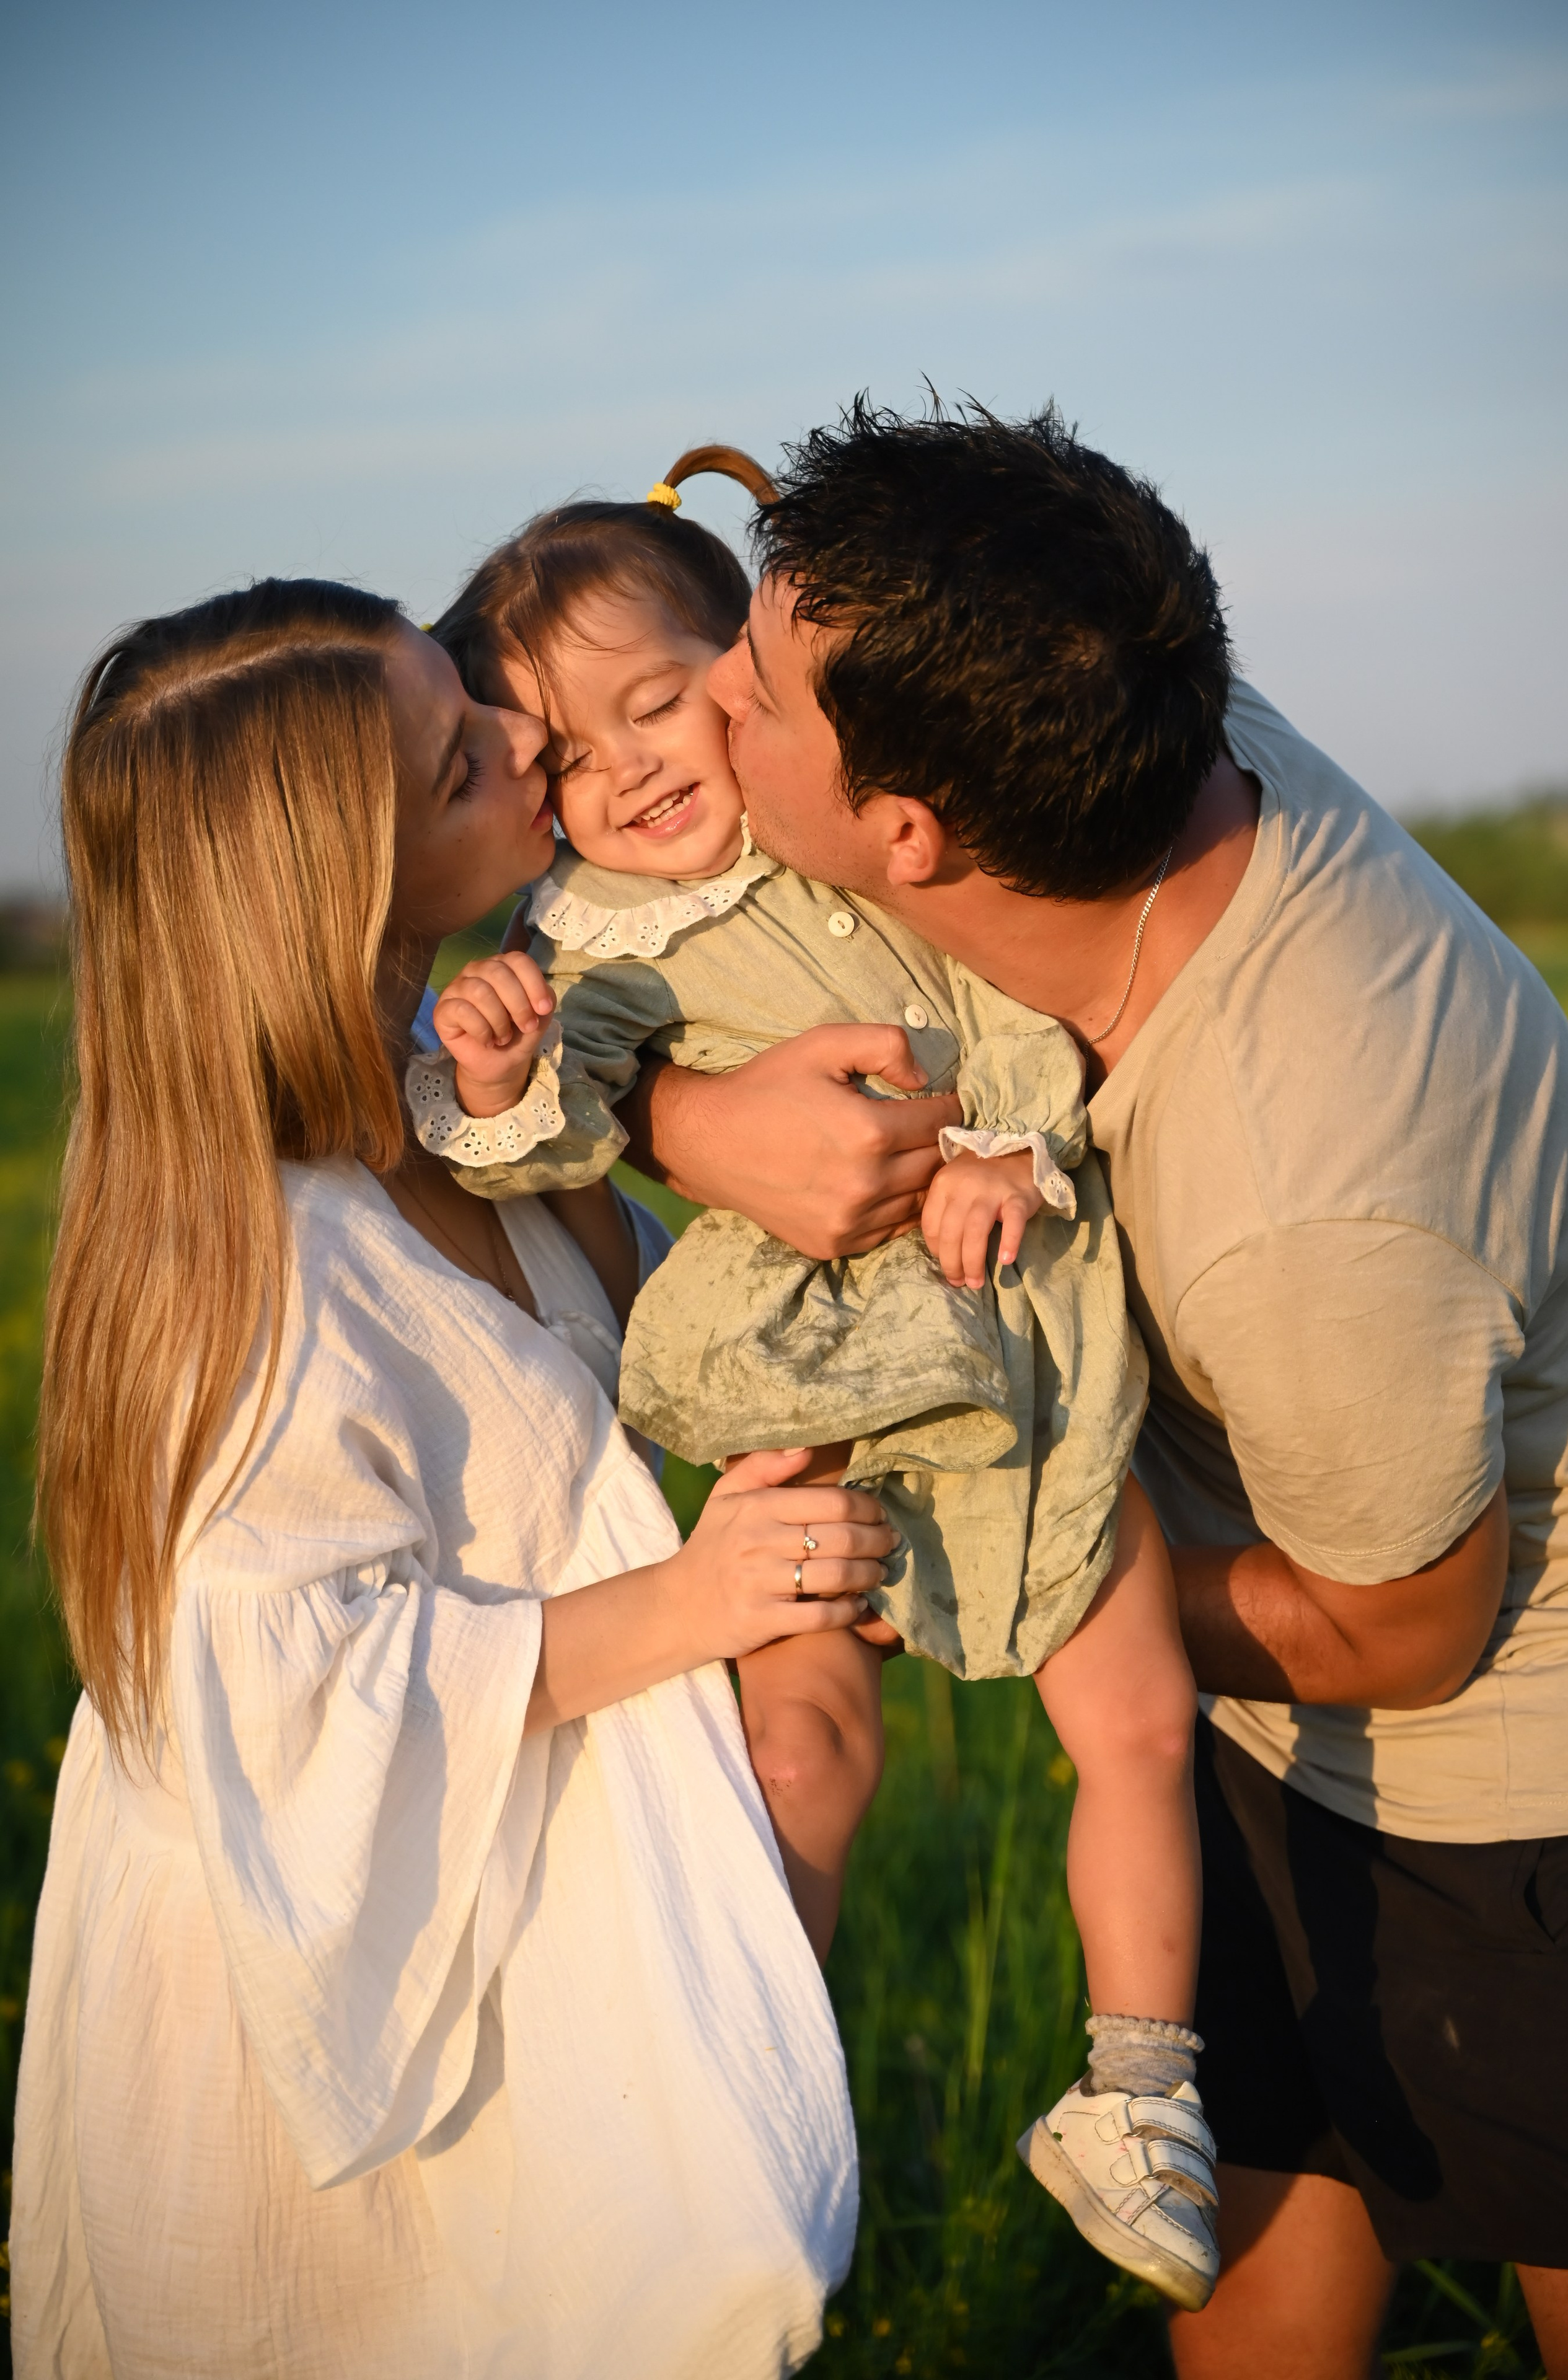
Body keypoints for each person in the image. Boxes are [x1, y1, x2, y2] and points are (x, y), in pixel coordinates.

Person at [619, 402, 1568, 2380]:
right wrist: (682, 1112)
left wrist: (963, 1570)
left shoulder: (1309, 1188)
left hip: (1524, 1797)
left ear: (909, 839)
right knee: (1252, 2277)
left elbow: (1412, 1626)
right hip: (1251, 1717)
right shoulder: (1110, 715)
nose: (707, 703)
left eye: (755, 687)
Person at [14, 576, 900, 2379]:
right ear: (332, 882)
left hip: (516, 1888)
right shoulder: (248, 1279)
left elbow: (671, 1333)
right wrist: (701, 1601)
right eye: (455, 761)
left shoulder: (450, 1110)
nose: (522, 741)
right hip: (324, 2000)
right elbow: (300, 1694)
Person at [410, 458, 1221, 2309]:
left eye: (656, 699)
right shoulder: (577, 952)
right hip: (814, 1380)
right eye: (559, 751)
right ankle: (726, 2082)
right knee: (796, 1748)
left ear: (754, 673)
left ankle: (1140, 2090)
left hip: (1024, 1348)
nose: (622, 767)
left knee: (1138, 1720)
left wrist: (1015, 1138)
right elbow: (546, 1138)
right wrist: (491, 1067)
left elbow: (1021, 973)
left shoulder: (861, 826)